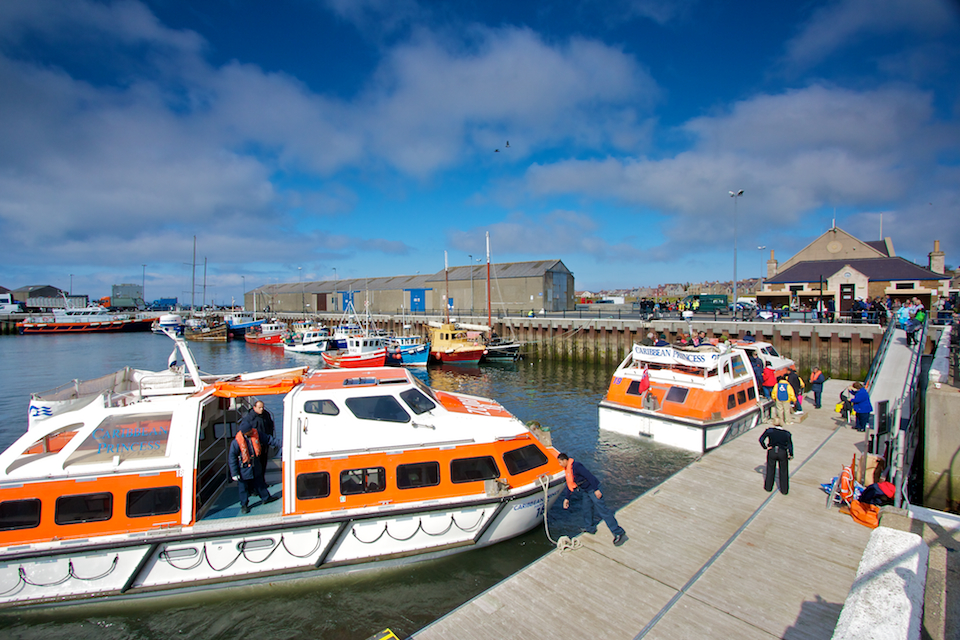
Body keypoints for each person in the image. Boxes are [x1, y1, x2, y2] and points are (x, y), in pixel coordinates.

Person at [557, 453, 627, 546]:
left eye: (560, 462)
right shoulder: (568, 470)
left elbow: (589, 476)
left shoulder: (577, 466)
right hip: (585, 490)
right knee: (587, 508)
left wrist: (596, 490)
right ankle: (590, 528)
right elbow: (570, 485)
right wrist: (567, 498)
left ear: (565, 460)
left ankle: (618, 532)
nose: (560, 464)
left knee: (603, 511)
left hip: (593, 489)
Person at [228, 422, 282, 514]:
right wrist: (234, 473)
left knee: (260, 484)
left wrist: (281, 443)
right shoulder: (236, 443)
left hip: (255, 466)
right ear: (245, 432)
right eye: (249, 431)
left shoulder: (256, 434)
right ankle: (244, 505)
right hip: (244, 469)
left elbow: (268, 439)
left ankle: (266, 498)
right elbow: (232, 458)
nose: (251, 431)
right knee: (243, 488)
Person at [239, 400, 276, 477]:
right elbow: (244, 430)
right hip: (254, 444)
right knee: (255, 465)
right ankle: (255, 483)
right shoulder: (249, 418)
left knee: (263, 462)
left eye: (262, 407)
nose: (261, 409)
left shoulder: (266, 415)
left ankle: (262, 481)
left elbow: (270, 426)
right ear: (254, 407)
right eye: (259, 407)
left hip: (264, 443)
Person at [759, 424, 793, 494]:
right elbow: (790, 445)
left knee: (770, 469)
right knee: (783, 471)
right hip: (782, 452)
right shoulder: (786, 433)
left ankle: (768, 487)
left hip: (772, 451)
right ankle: (784, 490)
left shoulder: (769, 431)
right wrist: (791, 454)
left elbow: (761, 439)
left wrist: (765, 447)